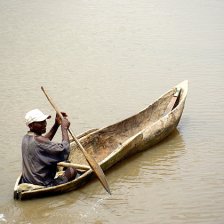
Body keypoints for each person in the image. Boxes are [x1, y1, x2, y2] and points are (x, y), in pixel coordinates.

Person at [21, 108, 77, 187]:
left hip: (28, 180)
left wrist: (56, 124)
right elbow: (65, 150)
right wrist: (64, 128)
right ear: (31, 125)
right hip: (43, 183)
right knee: (72, 170)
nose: (44, 124)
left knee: (65, 164)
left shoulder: (26, 138)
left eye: (44, 121)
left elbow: (45, 140)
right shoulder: (39, 140)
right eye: (40, 122)